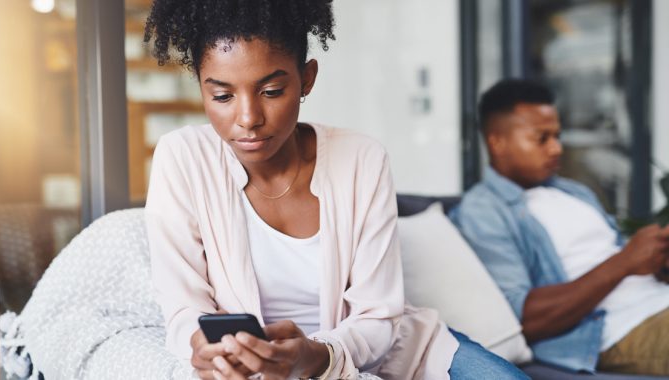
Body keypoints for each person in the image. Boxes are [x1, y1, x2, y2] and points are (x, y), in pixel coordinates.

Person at [143, 1, 528, 379]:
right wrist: (205, 349)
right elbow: (183, 309)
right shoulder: (183, 159)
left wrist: (317, 354)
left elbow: (378, 317)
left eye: (272, 91)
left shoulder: (361, 159)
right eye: (223, 96)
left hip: (389, 355)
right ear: (201, 87)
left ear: (306, 78)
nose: (248, 119)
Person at [451, 78, 669, 376]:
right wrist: (626, 261)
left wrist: (657, 261)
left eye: (557, 136)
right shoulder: (482, 211)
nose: (556, 148)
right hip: (619, 330)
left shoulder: (574, 192)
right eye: (541, 138)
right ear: (497, 142)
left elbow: (623, 260)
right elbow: (522, 320)